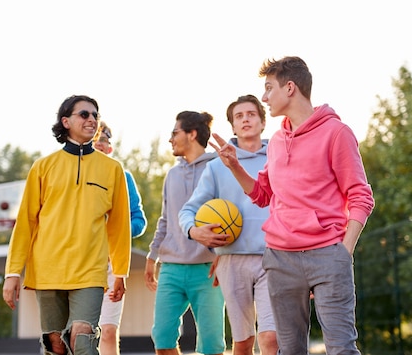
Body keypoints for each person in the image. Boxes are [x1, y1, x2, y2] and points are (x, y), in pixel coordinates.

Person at [210, 57, 375, 355]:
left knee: (341, 349)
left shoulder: (337, 133)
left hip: (328, 254)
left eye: (269, 88)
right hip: (281, 258)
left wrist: (343, 251)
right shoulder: (276, 141)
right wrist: (234, 165)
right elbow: (262, 194)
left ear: (290, 88)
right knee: (290, 351)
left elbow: (361, 196)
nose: (264, 97)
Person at [2, 95, 132, 355]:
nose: (92, 119)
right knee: (55, 346)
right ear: (66, 121)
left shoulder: (112, 169)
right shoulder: (43, 167)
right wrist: (12, 272)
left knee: (82, 342)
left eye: (95, 114)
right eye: (84, 114)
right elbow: (26, 222)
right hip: (47, 270)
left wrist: (120, 271)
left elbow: (119, 225)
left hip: (90, 271)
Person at [178, 95, 277, 355]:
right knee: (243, 342)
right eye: (239, 116)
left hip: (274, 257)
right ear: (232, 126)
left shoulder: (279, 159)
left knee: (270, 338)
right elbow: (188, 210)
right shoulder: (216, 167)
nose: (245, 119)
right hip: (231, 260)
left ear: (263, 121)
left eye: (251, 114)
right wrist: (194, 231)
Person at [144, 111, 226, 355]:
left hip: (208, 269)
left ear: (192, 134)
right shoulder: (172, 175)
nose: (171, 139)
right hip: (171, 267)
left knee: (212, 344)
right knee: (162, 337)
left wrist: (224, 255)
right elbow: (166, 219)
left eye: (174, 133)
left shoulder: (219, 169)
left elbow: (232, 218)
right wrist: (152, 256)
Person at [93, 121, 147, 355]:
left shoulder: (123, 177)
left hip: (113, 264)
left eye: (103, 143)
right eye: (94, 142)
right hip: (79, 263)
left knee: (108, 331)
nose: (98, 146)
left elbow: (139, 221)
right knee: (78, 331)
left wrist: (115, 229)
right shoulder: (72, 176)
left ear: (109, 149)